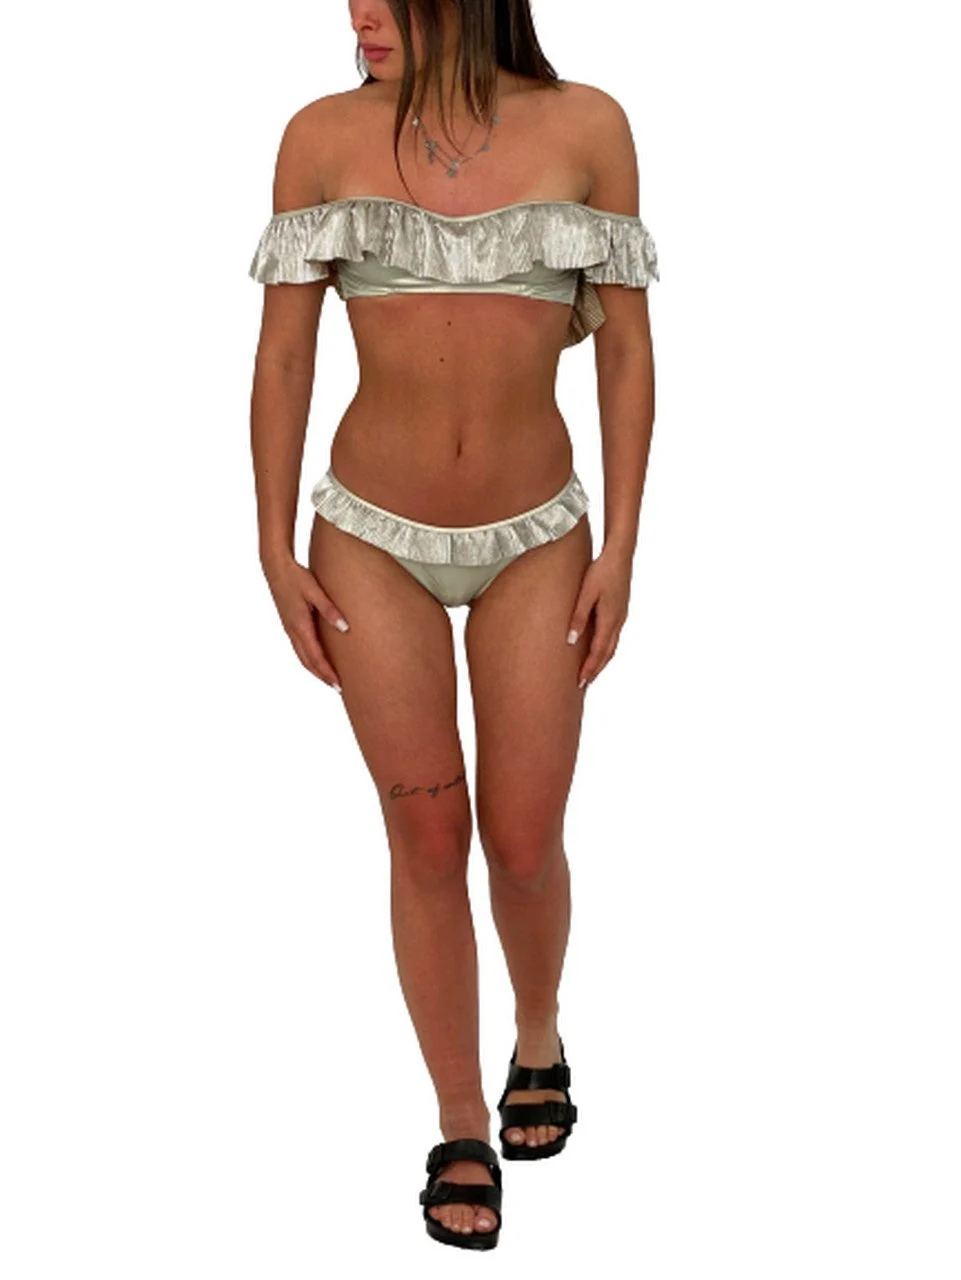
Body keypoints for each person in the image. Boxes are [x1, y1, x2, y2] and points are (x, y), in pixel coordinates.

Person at [247, 0, 658, 1251]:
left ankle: (538, 1030)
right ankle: (461, 1117)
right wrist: (272, 544)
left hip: (539, 536)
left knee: (522, 841)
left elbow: (626, 353)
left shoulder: (588, 127)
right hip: (368, 537)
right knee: (427, 835)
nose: (358, 12)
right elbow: (283, 356)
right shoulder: (320, 136)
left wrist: (623, 546)